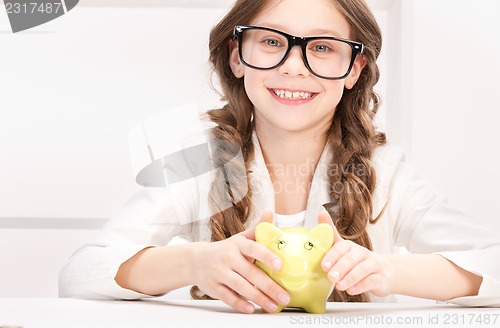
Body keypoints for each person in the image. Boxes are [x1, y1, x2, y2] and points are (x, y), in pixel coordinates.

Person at [59, 0, 500, 313]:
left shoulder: (386, 174)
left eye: (323, 47)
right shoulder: (198, 162)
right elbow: (79, 274)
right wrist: (194, 263)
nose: (295, 66)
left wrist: (385, 272)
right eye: (271, 42)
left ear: (355, 69)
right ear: (237, 57)